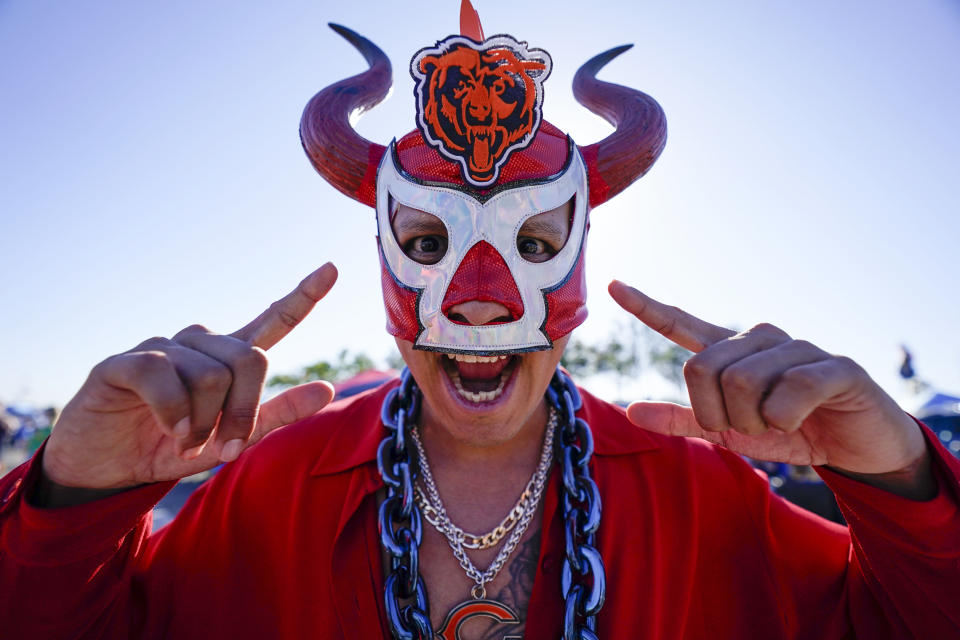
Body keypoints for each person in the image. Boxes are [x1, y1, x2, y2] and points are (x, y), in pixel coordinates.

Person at [1, 3, 959, 639]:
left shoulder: (704, 493)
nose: (480, 296)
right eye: (426, 245)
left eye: (536, 244)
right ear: (383, 260)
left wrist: (899, 480)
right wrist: (74, 499)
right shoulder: (269, 484)